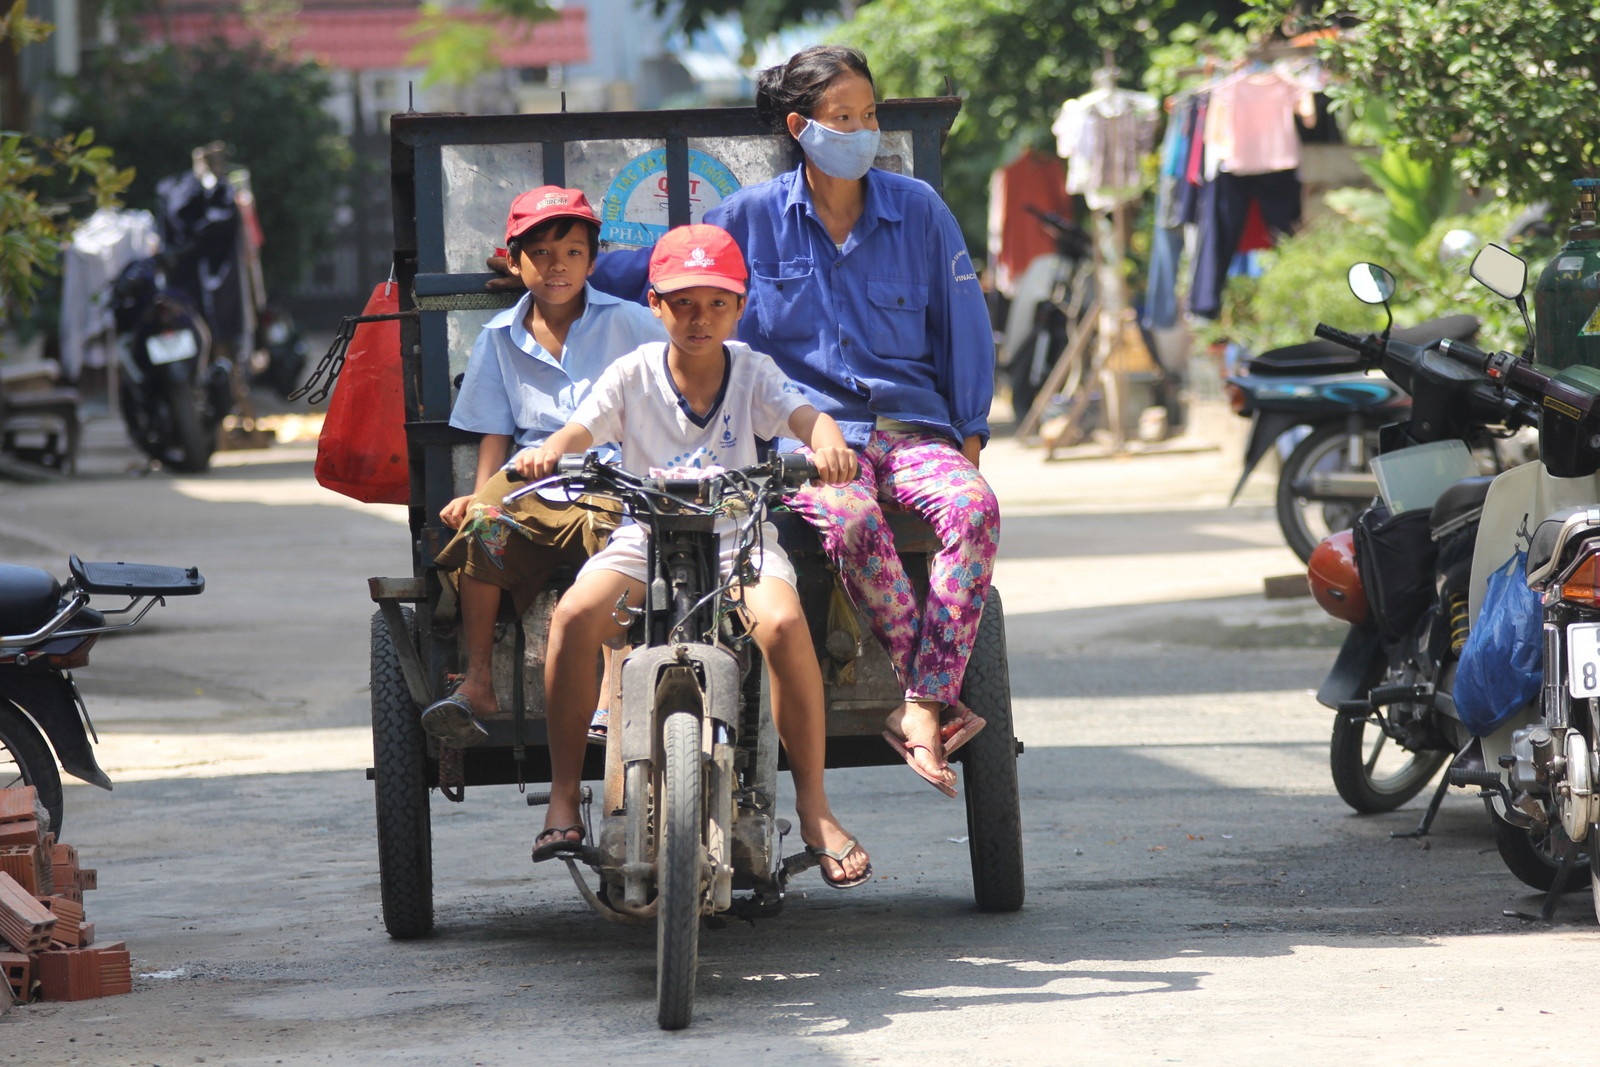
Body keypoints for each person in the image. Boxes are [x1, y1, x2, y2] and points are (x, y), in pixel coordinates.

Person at [517, 223, 873, 889]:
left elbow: (807, 418)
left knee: (784, 623)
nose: (699, 318)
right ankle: (564, 794)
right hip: (645, 536)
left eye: (716, 303)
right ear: (655, 305)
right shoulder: (632, 374)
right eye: (682, 303)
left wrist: (827, 445)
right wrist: (550, 450)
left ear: (740, 307)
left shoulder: (754, 372)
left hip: (739, 537)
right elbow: (580, 428)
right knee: (572, 618)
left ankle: (815, 806)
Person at [420, 186, 665, 747]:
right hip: (533, 477)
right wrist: (478, 494)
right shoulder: (498, 338)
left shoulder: (630, 322)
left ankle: (612, 689)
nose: (558, 266)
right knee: (482, 526)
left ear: (592, 262)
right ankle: (478, 680)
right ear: (514, 263)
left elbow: (677, 380)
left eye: (573, 252)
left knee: (618, 536)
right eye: (541, 254)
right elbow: (496, 430)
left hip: (614, 475)